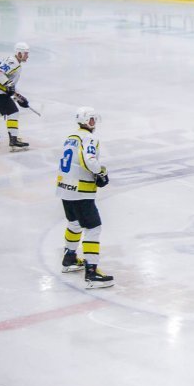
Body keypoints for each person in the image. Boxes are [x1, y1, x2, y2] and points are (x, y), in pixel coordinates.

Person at [56, 107, 113, 288]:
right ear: (86, 121)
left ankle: (70, 258)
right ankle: (91, 272)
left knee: (74, 223)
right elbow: (89, 160)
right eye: (92, 119)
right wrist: (101, 172)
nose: (94, 123)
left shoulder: (71, 137)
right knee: (93, 227)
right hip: (81, 190)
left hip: (65, 187)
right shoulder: (89, 138)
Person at [0, 42, 30, 150]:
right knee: (13, 112)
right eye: (26, 53)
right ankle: (14, 140)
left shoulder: (11, 61)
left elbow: (9, 86)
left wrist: (19, 98)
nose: (27, 56)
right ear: (19, 53)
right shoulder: (13, 62)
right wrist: (8, 85)